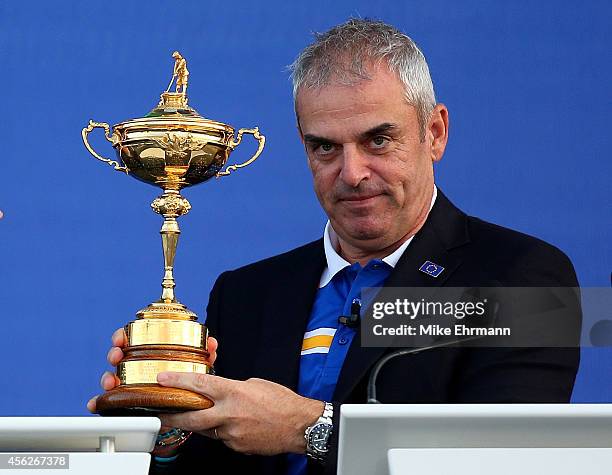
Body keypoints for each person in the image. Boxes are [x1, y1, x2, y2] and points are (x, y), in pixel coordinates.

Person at [88, 19, 580, 475]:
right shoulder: (245, 293)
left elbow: (507, 460)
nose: (352, 173)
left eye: (378, 141)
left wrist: (309, 428)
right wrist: (169, 429)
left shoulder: (524, 275)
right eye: (325, 147)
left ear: (435, 133)